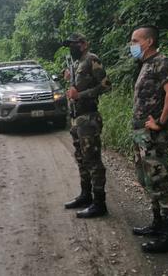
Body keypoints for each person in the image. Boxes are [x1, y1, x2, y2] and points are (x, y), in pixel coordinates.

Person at [130, 25, 168, 253]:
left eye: (135, 41)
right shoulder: (145, 65)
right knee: (147, 180)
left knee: (160, 182)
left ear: (148, 42)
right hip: (141, 134)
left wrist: (160, 122)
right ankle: (157, 224)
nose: (132, 45)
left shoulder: (162, 62)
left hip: (153, 135)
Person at [62, 33, 112, 218]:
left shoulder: (92, 59)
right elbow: (77, 86)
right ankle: (86, 195)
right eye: (69, 45)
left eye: (73, 44)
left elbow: (106, 86)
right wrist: (69, 79)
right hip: (77, 118)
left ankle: (99, 203)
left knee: (93, 160)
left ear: (83, 44)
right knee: (81, 158)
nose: (71, 48)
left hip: (89, 117)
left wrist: (80, 96)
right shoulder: (76, 64)